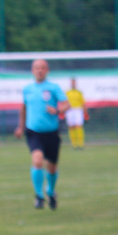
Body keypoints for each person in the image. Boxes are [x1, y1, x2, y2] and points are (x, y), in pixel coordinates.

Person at [14, 59, 69, 210]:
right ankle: (39, 196)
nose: (40, 70)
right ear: (32, 70)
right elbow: (23, 108)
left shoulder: (53, 87)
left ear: (47, 70)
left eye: (42, 68)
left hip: (51, 133)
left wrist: (57, 111)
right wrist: (20, 127)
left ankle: (50, 191)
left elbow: (66, 104)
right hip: (33, 132)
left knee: (51, 167)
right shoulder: (28, 89)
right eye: (37, 68)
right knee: (37, 161)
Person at [64, 77, 88, 150]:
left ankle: (80, 144)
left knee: (79, 126)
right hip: (69, 110)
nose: (73, 84)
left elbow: (83, 102)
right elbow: (64, 102)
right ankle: (74, 145)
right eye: (72, 82)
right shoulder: (67, 92)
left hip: (78, 110)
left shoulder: (79, 92)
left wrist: (85, 112)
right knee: (71, 127)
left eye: (74, 82)